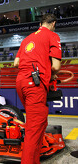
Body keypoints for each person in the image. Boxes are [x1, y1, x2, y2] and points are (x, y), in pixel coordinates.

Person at [14, 14, 62, 164]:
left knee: (40, 123)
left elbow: (16, 63)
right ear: (53, 23)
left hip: (21, 82)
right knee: (33, 130)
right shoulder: (53, 35)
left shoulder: (27, 39)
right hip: (34, 84)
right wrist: (51, 74)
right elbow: (56, 66)